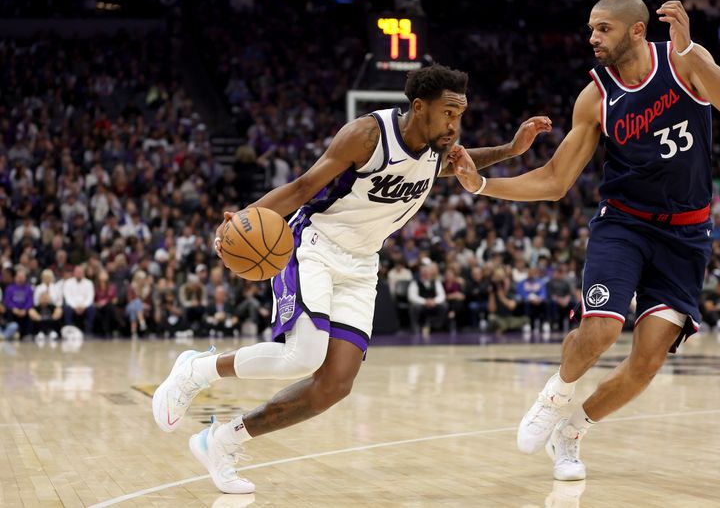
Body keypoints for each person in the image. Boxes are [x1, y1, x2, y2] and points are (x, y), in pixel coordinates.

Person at [151, 63, 552, 493]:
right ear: (419, 107)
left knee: (333, 386)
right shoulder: (367, 135)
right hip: (314, 246)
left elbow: (458, 166)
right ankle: (197, 370)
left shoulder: (439, 148)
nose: (456, 124)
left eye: (460, 114)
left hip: (362, 265)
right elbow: (303, 186)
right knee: (302, 356)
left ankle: (220, 441)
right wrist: (247, 217)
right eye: (448, 113)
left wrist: (511, 149)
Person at [450, 0, 720, 480]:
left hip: (687, 234)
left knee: (648, 360)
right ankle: (556, 394)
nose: (592, 37)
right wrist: (483, 185)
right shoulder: (596, 96)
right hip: (624, 224)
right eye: (591, 28)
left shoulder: (683, 60)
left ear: (636, 30)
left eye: (603, 28)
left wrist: (693, 49)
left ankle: (571, 432)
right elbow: (553, 180)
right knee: (603, 328)